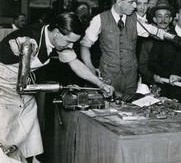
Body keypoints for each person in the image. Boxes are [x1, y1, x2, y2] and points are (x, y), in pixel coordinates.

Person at [0, 12, 114, 162]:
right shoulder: (30, 39)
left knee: (27, 139)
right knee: (5, 142)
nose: (70, 46)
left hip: (22, 89)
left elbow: (75, 63)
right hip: (3, 87)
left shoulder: (57, 40)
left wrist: (100, 84)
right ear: (56, 33)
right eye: (68, 41)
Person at [80, 0, 170, 95]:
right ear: (119, 2)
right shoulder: (99, 19)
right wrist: (90, 67)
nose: (135, 6)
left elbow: (154, 30)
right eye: (131, 2)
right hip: (108, 78)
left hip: (130, 79)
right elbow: (85, 45)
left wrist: (174, 37)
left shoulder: (135, 19)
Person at [148, 1, 181, 107]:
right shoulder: (165, 35)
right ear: (176, 16)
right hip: (168, 90)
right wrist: (169, 76)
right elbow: (152, 63)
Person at [138, 0, 174, 86]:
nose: (163, 20)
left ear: (171, 19)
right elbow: (142, 65)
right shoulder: (148, 38)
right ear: (154, 19)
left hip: (173, 83)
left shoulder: (175, 37)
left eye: (166, 16)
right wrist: (152, 76)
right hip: (153, 84)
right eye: (159, 16)